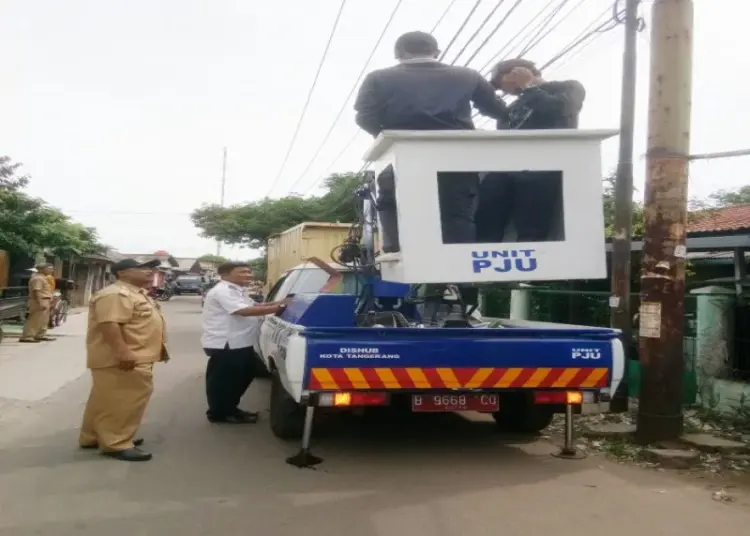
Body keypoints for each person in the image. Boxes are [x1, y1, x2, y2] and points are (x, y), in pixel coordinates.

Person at [354, 31, 508, 251]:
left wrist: (386, 136)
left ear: (399, 53)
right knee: (457, 213)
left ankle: (398, 253)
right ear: (436, 51)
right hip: (456, 159)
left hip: (399, 157)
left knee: (395, 206)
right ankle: (461, 274)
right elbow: (498, 110)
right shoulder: (468, 76)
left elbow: (364, 117)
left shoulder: (377, 78)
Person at [475, 58, 586, 243]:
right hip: (506, 168)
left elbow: (559, 109)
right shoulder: (514, 106)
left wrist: (528, 86)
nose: (502, 90)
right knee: (486, 215)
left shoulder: (568, 88)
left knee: (531, 227)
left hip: (542, 167)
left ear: (517, 72)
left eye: (500, 83)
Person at [78, 258, 167, 462]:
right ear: (123, 273)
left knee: (105, 399)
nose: (149, 271)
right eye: (142, 268)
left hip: (129, 355)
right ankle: (116, 443)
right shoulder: (116, 294)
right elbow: (109, 324)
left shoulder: (134, 293)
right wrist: (123, 352)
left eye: (150, 268)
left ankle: (93, 436)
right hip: (124, 358)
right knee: (125, 400)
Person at [200, 262, 288, 424]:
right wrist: (279, 308)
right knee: (225, 381)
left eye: (249, 272)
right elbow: (243, 311)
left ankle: (229, 408)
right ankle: (220, 413)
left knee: (244, 374)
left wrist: (283, 303)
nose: (248, 275)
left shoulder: (237, 291)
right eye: (242, 272)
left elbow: (257, 306)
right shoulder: (223, 291)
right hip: (227, 343)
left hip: (239, 342)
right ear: (225, 275)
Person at [19, 263, 56, 343]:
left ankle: (40, 335)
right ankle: (27, 336)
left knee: (43, 320)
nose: (51, 270)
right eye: (49, 268)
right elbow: (37, 291)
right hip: (38, 300)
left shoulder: (44, 278)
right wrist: (40, 303)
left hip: (45, 299)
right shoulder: (38, 278)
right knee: (35, 319)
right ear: (42, 269)